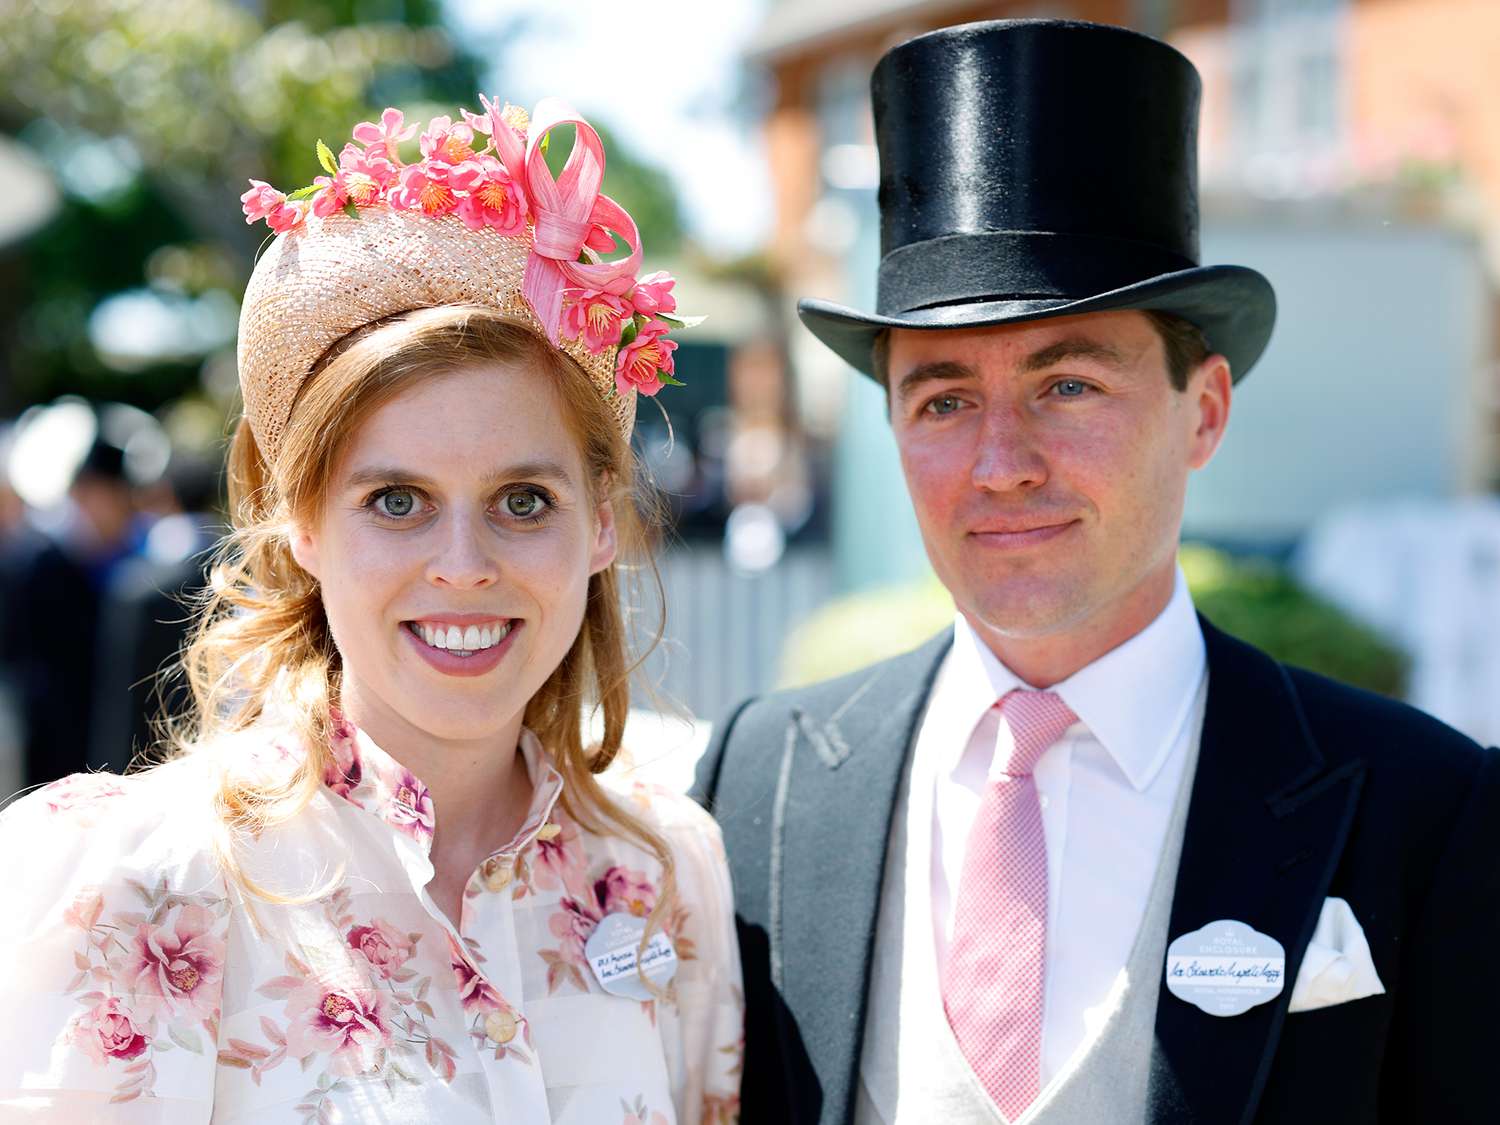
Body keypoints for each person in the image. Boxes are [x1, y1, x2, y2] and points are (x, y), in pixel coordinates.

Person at [693, 20, 1500, 1125]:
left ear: (1203, 410)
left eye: (1067, 384)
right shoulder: (760, 779)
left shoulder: (1429, 807)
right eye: (942, 399)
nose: (1002, 464)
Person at [0, 96, 742, 1122]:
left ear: (603, 522)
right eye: (397, 502)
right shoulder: (136, 883)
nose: (463, 565)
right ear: (299, 520)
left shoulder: (669, 872)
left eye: (523, 501)